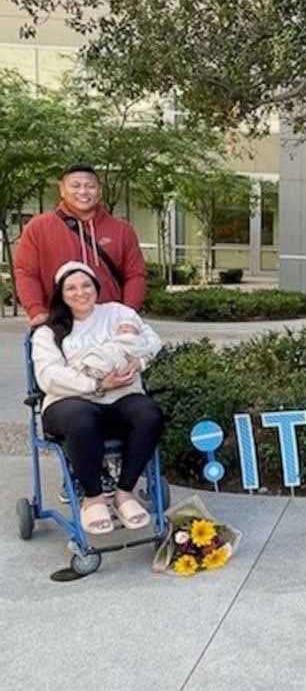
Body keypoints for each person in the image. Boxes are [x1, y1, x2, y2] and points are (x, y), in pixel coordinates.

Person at [32, 261, 163, 535]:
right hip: (68, 403)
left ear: (96, 287)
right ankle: (92, 498)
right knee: (82, 417)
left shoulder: (117, 313)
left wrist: (137, 363)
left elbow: (151, 340)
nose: (80, 293)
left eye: (86, 285)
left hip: (120, 395)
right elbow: (49, 377)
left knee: (148, 413)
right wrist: (96, 383)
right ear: (61, 293)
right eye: (71, 288)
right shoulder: (49, 331)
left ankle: (124, 492)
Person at [14, 163, 147, 328]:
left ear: (100, 190)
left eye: (90, 186)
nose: (83, 192)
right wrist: (36, 310)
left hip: (109, 325)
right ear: (62, 190)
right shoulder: (38, 227)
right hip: (56, 323)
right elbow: (26, 273)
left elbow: (135, 275)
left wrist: (127, 315)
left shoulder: (122, 230)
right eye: (75, 186)